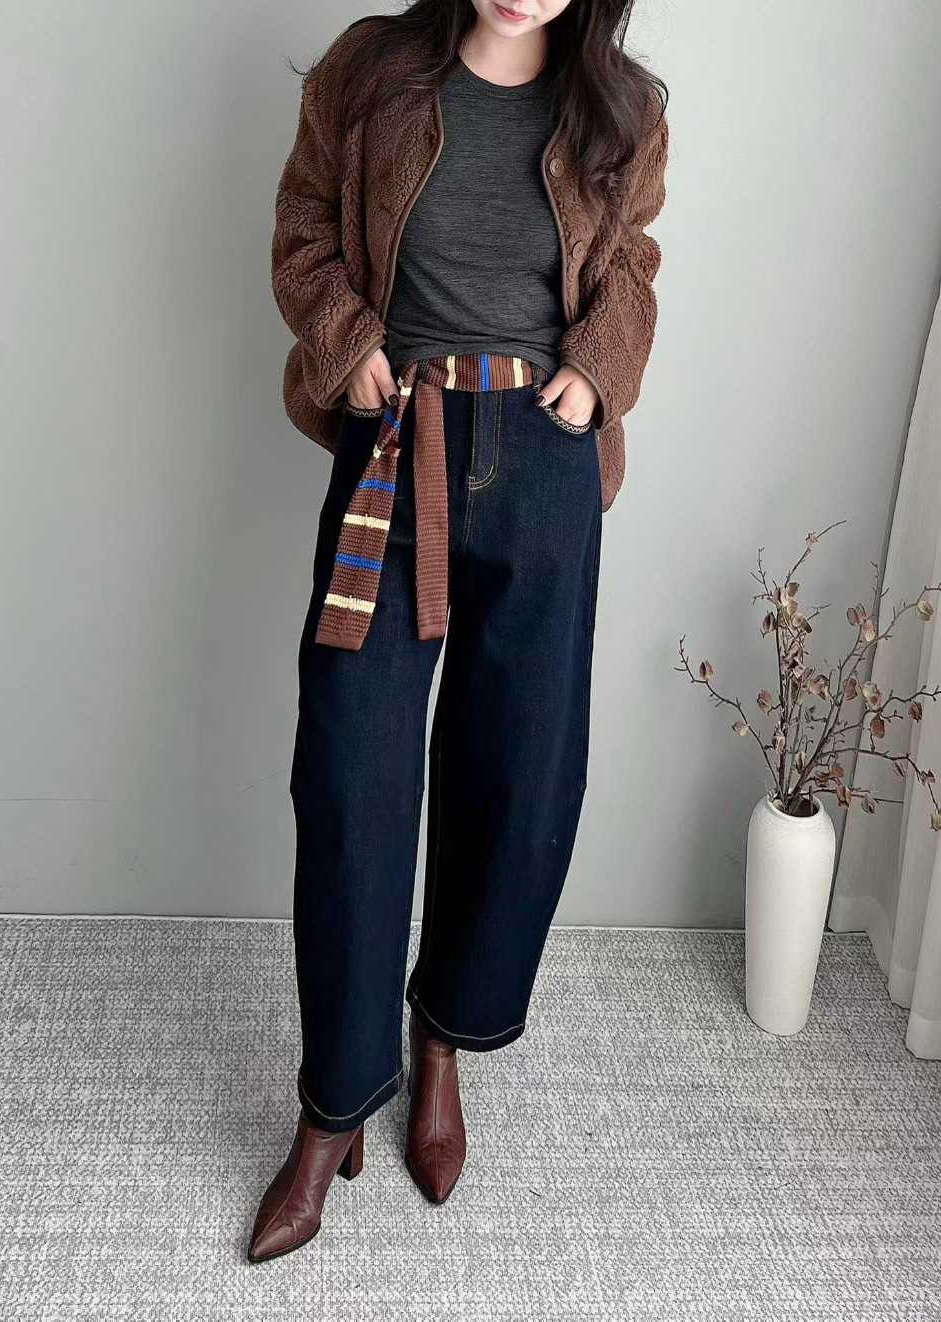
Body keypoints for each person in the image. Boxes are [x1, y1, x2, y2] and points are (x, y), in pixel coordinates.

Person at [249, 0, 669, 1263]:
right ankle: (335, 1102)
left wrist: (599, 368)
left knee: (519, 774)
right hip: (397, 444)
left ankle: (442, 1043)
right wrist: (349, 345)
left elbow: (634, 260)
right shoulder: (371, 71)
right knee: (350, 774)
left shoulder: (622, 107)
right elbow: (304, 227)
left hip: (541, 461)